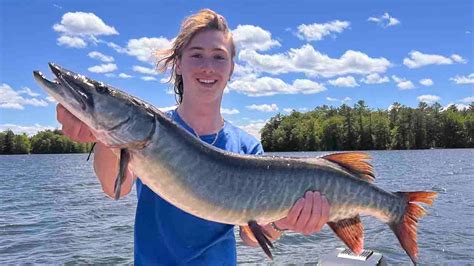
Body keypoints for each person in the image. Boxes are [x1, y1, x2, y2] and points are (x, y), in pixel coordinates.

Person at [56, 9, 330, 265]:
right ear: (178, 64)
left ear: (231, 68)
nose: (207, 67)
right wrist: (101, 136)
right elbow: (115, 188)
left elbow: (249, 235)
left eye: (219, 56)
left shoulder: (247, 146)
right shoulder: (149, 130)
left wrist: (283, 223)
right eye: (196, 55)